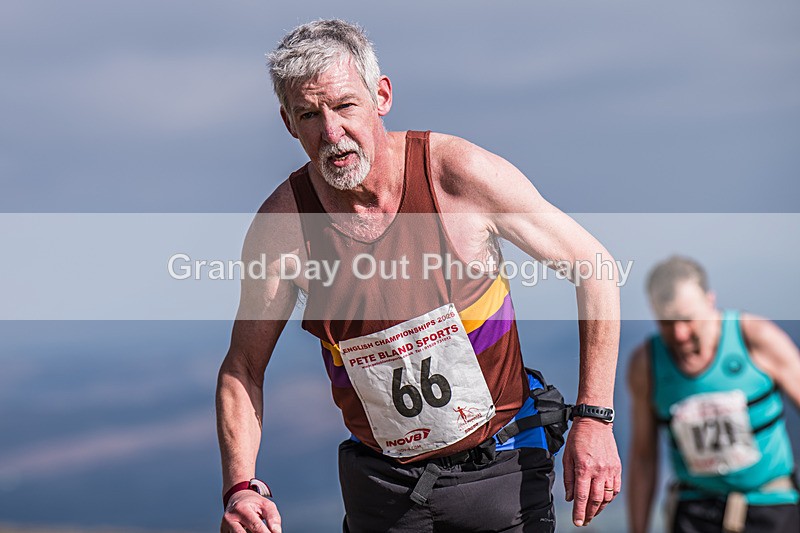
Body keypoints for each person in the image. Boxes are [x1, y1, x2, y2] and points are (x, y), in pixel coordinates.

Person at [216, 19, 622, 533]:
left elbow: (595, 269)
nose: (332, 132)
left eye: (344, 106)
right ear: (288, 123)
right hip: (383, 492)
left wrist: (594, 418)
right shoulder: (284, 228)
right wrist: (240, 487)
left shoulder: (458, 176)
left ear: (381, 96)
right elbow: (242, 368)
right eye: (308, 115)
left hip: (501, 470)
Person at [627, 256, 800, 533]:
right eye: (667, 322)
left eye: (687, 319)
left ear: (710, 300)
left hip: (772, 506)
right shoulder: (646, 364)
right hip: (694, 512)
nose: (680, 333)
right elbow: (644, 458)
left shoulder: (756, 337)